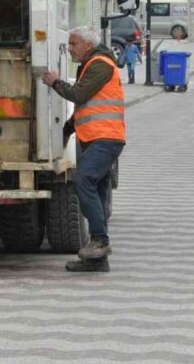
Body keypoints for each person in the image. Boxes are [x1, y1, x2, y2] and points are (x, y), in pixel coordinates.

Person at [41, 26, 126, 273]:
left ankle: (99, 241)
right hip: (95, 139)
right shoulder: (91, 64)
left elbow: (79, 95)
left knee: (82, 181)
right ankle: (97, 261)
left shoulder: (101, 64)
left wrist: (55, 82)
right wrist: (68, 129)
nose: (69, 48)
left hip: (106, 139)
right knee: (97, 193)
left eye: (73, 43)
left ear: (88, 45)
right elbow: (86, 106)